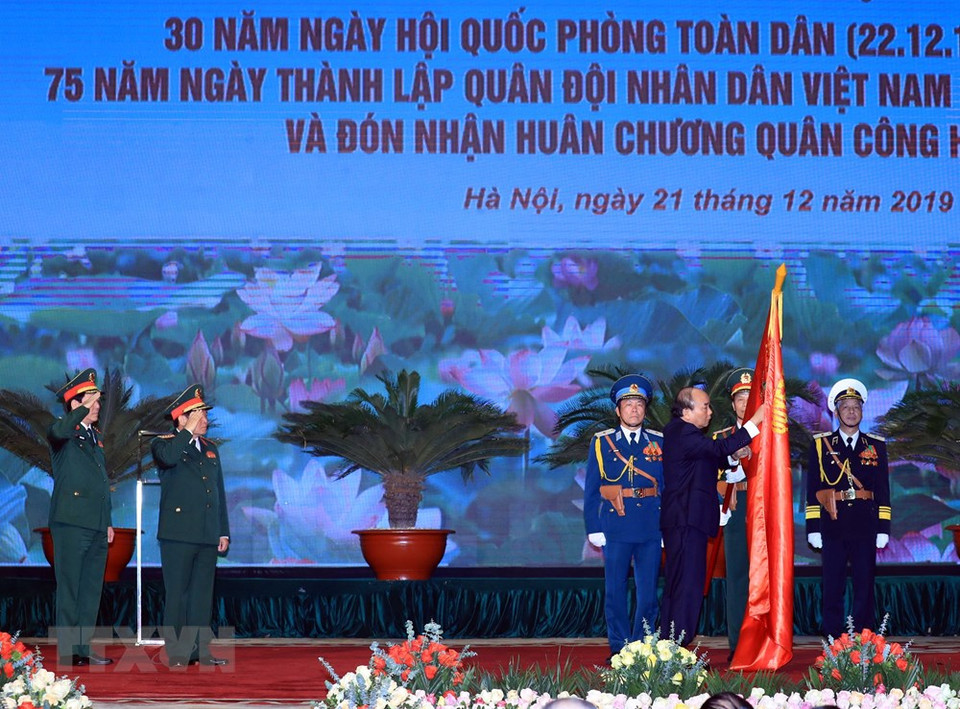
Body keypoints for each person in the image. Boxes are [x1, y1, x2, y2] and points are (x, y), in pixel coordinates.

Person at [659, 385, 763, 646]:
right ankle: (678, 648)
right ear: (686, 412)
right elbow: (718, 448)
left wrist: (733, 456)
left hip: (684, 520)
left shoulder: (683, 433)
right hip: (686, 520)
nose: (710, 411)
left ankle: (670, 644)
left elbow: (710, 458)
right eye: (705, 407)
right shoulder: (683, 431)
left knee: (680, 585)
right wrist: (755, 421)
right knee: (688, 586)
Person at [583, 374, 663, 656]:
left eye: (639, 404)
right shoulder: (602, 442)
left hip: (650, 526)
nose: (634, 409)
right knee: (615, 590)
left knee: (648, 592)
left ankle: (642, 647)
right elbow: (592, 489)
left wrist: (666, 527)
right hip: (615, 526)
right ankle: (619, 648)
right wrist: (593, 526)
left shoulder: (659, 442)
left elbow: (667, 487)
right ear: (618, 410)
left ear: (645, 409)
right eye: (628, 404)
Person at [151, 384, 230, 667]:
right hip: (178, 534)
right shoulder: (163, 444)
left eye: (205, 414)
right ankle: (177, 653)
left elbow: (218, 492)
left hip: (207, 533)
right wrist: (185, 431)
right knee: (178, 596)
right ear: (182, 418)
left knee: (201, 596)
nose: (205, 419)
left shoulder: (210, 449)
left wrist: (223, 530)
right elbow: (169, 459)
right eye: (198, 414)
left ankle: (199, 651)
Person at [805, 378, 890, 639]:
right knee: (833, 585)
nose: (852, 412)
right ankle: (833, 638)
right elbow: (812, 488)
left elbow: (883, 490)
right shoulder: (821, 445)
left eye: (856, 406)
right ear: (836, 412)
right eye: (846, 407)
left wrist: (883, 527)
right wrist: (813, 528)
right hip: (833, 524)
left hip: (865, 524)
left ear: (862, 411)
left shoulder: (876, 445)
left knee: (865, 584)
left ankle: (865, 638)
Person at [47, 368, 114, 666]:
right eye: (91, 400)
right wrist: (81, 409)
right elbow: (59, 431)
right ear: (75, 403)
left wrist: (107, 521)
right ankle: (68, 652)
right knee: (70, 588)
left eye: (98, 401)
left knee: (90, 590)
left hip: (96, 524)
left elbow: (101, 481)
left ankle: (83, 648)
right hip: (71, 522)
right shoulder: (62, 431)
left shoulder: (94, 437)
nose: (97, 405)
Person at [711, 368, 754, 659]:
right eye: (740, 399)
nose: (744, 404)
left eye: (750, 399)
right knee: (737, 577)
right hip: (735, 509)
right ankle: (738, 645)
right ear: (732, 403)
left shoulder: (772, 437)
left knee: (766, 576)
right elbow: (710, 474)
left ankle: (765, 641)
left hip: (764, 511)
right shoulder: (721, 437)